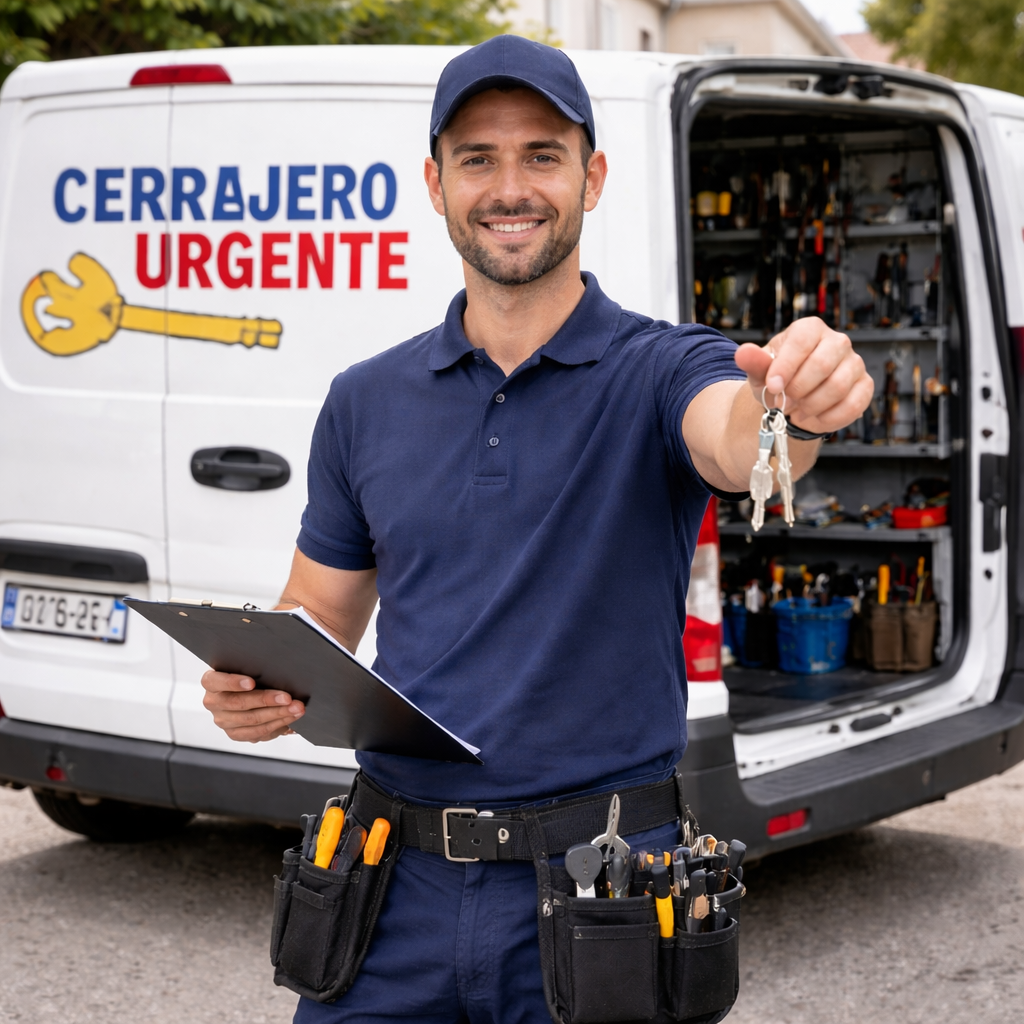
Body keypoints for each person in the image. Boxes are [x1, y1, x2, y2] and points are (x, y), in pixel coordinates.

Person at [201, 35, 872, 1024]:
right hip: (388, 888)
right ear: (436, 184)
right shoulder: (363, 400)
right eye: (477, 157)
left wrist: (795, 409)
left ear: (591, 179)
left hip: (601, 891)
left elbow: (738, 436)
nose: (509, 187)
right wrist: (257, 683)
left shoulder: (662, 369)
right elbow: (319, 614)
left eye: (542, 155)